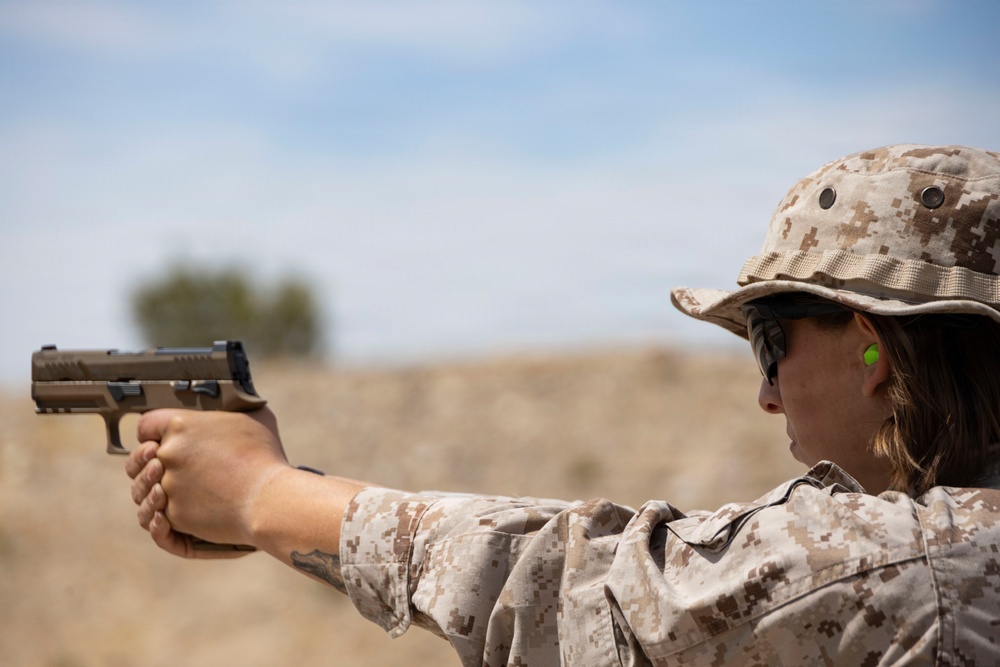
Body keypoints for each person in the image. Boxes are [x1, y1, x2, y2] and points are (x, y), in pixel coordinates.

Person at [126, 144, 1000, 666]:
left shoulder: (923, 562)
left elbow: (586, 586)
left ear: (871, 344)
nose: (765, 393)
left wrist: (260, 496)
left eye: (772, 340)